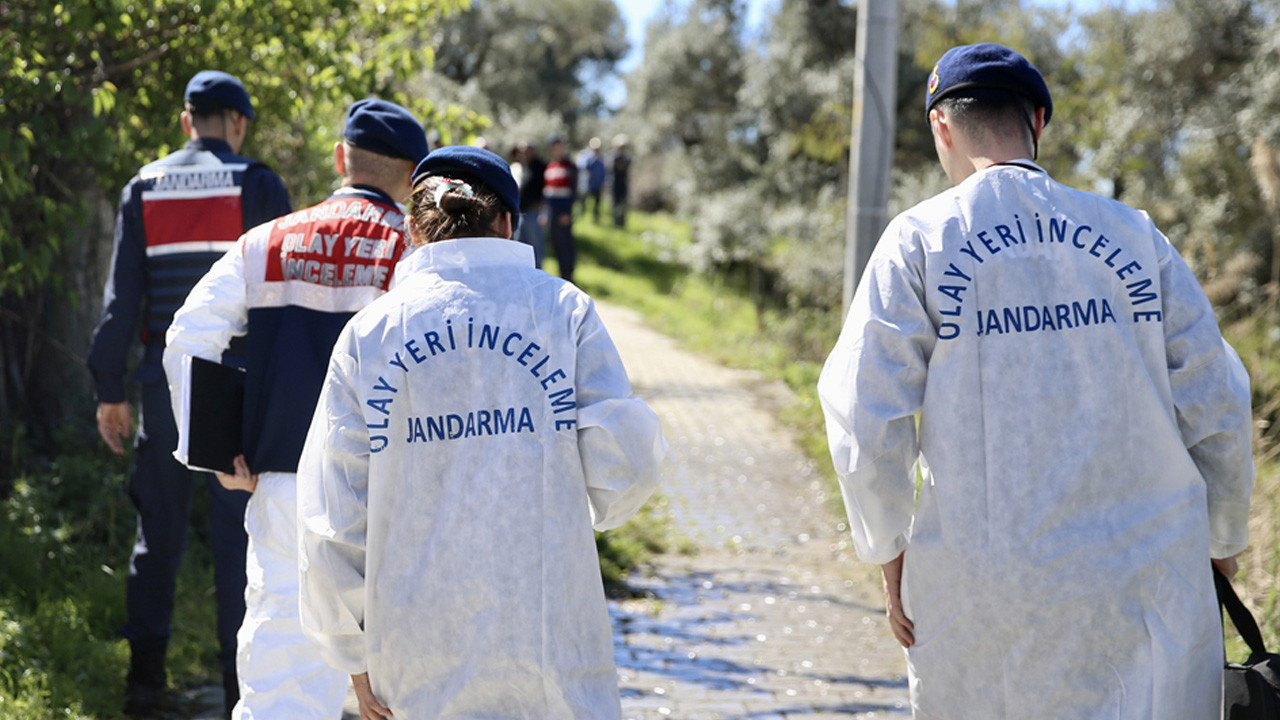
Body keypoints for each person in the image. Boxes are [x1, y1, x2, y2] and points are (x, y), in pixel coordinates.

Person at [817, 43, 1255, 720]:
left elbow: (863, 410)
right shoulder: (1133, 234)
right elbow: (1217, 396)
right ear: (1039, 122)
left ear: (942, 126)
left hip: (986, 585)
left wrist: (887, 547)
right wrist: (1223, 539)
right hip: (1147, 581)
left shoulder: (920, 241)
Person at [296, 145, 665, 719]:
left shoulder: (371, 335)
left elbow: (332, 514)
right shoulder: (563, 311)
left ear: (412, 229)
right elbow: (627, 463)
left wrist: (352, 652)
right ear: (509, 223)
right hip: (549, 642)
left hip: (413, 651)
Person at [162, 98, 429, 719]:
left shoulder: (265, 242)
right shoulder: (414, 252)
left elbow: (189, 336)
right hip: (389, 494)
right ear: (414, 179)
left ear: (341, 159)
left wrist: (214, 453)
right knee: (402, 684)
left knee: (279, 680)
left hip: (283, 485)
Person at [87, 69, 292, 718]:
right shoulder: (257, 183)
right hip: (234, 389)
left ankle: (143, 687)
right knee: (240, 544)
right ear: (237, 123)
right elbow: (280, 302)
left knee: (158, 536)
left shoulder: (142, 187)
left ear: (185, 121)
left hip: (162, 389)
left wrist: (108, 390)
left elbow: (121, 304)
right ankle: (240, 696)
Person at [543, 134, 578, 282]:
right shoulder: (550, 166)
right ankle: (561, 277)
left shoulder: (570, 166)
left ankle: (568, 275)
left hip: (563, 212)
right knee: (556, 243)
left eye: (559, 145)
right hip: (551, 211)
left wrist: (567, 212)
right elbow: (546, 191)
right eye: (554, 146)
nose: (556, 149)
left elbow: (574, 190)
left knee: (565, 244)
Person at [516, 140, 547, 267]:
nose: (524, 153)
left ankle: (538, 272)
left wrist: (542, 204)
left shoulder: (541, 167)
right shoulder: (521, 166)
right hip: (521, 212)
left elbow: (546, 188)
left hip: (534, 211)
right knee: (520, 244)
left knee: (535, 245)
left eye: (527, 150)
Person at [577, 136, 607, 223]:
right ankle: (581, 217)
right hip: (588, 184)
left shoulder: (601, 158)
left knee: (597, 203)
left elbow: (603, 172)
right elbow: (584, 167)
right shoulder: (587, 157)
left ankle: (595, 219)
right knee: (583, 202)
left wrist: (603, 182)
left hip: (598, 185)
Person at [609, 134, 632, 228]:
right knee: (615, 203)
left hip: (623, 183)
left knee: (623, 204)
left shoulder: (627, 157)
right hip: (615, 183)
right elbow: (614, 167)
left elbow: (625, 166)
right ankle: (615, 222)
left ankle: (621, 222)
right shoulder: (613, 157)